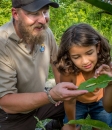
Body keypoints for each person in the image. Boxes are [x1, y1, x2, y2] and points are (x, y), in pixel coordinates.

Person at [0, 1, 88, 130]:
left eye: (45, 11)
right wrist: (51, 96)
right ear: (15, 14)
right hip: (11, 114)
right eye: (35, 13)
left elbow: (57, 62)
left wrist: (61, 88)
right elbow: (6, 102)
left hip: (40, 100)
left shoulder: (44, 32)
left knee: (77, 107)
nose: (43, 20)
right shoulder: (2, 43)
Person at [54, 23, 112, 130]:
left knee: (103, 127)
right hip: (77, 102)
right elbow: (70, 102)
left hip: (100, 101)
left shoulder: (105, 68)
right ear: (69, 55)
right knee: (68, 128)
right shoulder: (68, 72)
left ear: (98, 47)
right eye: (76, 56)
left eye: (89, 53)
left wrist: (111, 83)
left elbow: (110, 108)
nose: (85, 61)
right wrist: (73, 125)